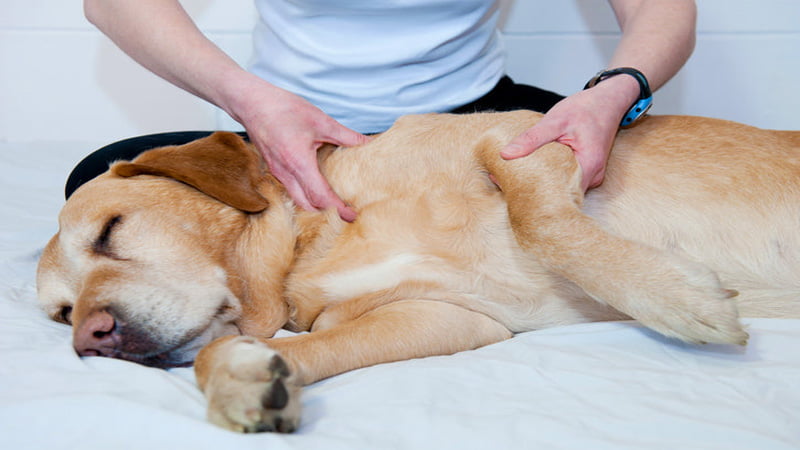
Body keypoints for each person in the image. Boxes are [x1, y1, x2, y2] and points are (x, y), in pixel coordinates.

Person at [71, 0, 697, 222]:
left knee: (657, 181)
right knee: (101, 185)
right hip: (290, 128)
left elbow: (660, 7)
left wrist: (613, 91)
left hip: (470, 122)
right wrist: (250, 99)